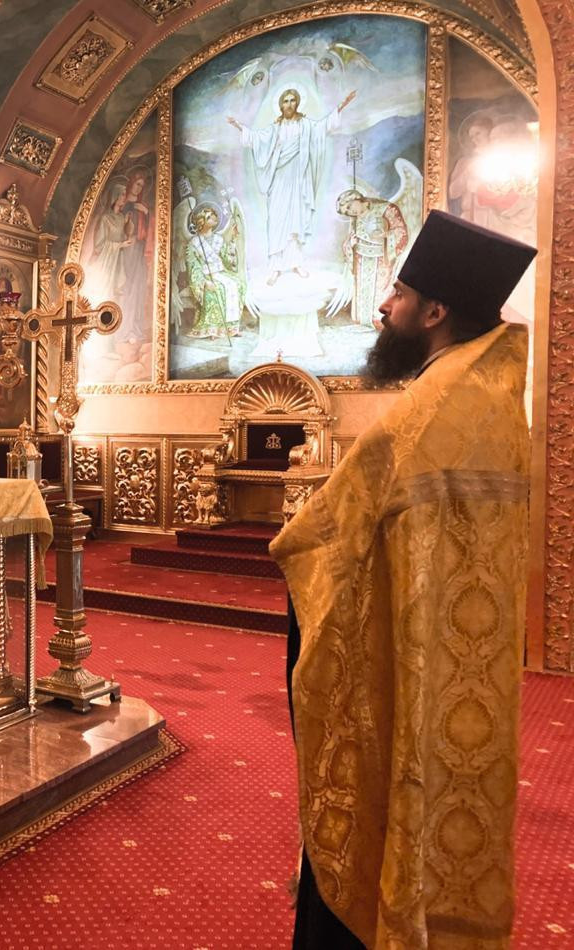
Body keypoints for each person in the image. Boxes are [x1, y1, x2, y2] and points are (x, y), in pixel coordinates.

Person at [269, 210, 536, 948]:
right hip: (466, 662)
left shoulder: (424, 409)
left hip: (401, 650)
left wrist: (292, 548)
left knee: (385, 782)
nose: (384, 307)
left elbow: (321, 540)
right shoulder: (489, 397)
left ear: (435, 310)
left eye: (398, 293)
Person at [229, 88, 356, 285]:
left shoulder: (305, 125)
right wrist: (239, 126)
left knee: (295, 219)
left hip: (298, 178)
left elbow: (323, 126)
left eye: (292, 100)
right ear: (281, 105)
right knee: (277, 220)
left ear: (297, 103)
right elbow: (256, 138)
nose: (289, 104)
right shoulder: (275, 128)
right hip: (279, 177)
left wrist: (341, 106)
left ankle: (296, 263)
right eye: (286, 101)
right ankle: (276, 267)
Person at [336, 188, 409, 326]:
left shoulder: (386, 209)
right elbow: (350, 239)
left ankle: (380, 321)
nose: (350, 212)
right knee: (363, 293)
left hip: (382, 259)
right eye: (347, 212)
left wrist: (386, 236)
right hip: (361, 261)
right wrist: (350, 244)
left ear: (356, 198)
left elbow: (401, 231)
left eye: (349, 207)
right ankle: (364, 320)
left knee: (381, 291)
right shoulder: (355, 219)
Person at [184, 203, 245, 338]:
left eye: (215, 216)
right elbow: (193, 266)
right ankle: (213, 329)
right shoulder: (194, 243)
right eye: (210, 217)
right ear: (202, 221)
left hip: (221, 273)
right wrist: (204, 282)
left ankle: (231, 328)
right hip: (205, 276)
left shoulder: (219, 239)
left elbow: (227, 260)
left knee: (238, 284)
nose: (215, 218)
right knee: (216, 288)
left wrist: (233, 239)